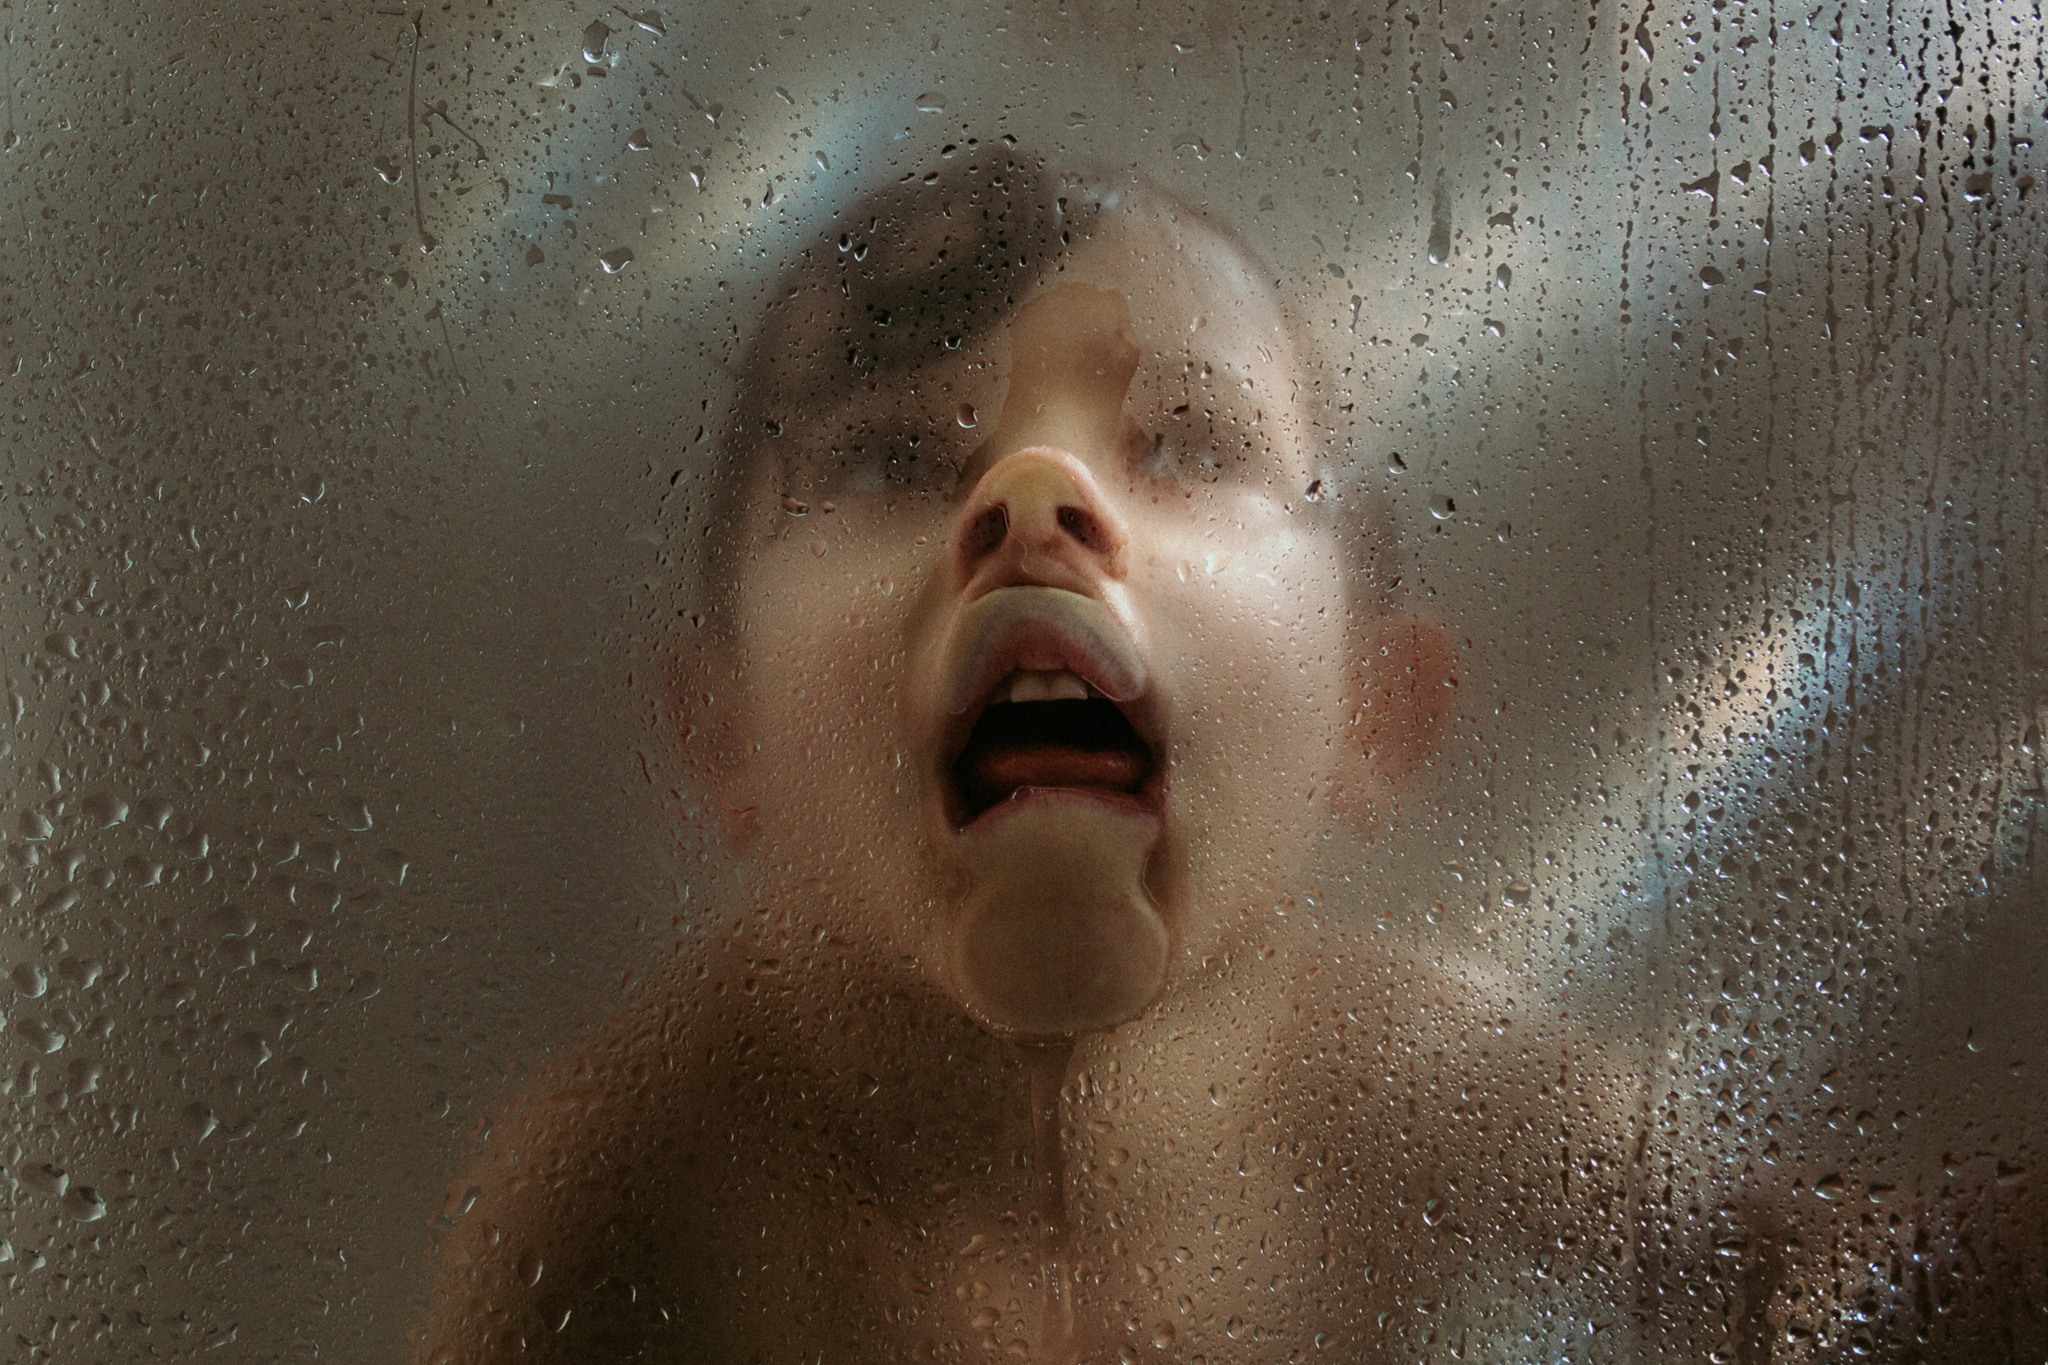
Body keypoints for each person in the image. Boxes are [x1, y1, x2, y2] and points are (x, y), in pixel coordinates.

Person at [414, 152, 1632, 1365]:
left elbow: (1797, 1269)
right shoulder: (637, 1160)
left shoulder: (1438, 1093)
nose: (1032, 502)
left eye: (1182, 448)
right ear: (724, 731)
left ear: (1375, 710)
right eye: (895, 460)